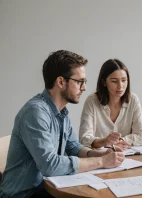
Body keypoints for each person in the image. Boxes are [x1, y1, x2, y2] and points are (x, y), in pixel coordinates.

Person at [0, 50, 125, 198]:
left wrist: (98, 153)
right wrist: (100, 161)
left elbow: (73, 147)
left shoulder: (62, 112)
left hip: (46, 188)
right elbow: (50, 165)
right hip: (24, 195)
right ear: (60, 82)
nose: (84, 88)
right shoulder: (35, 112)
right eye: (80, 82)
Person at [79, 59, 142, 149]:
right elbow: (84, 139)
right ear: (104, 82)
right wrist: (105, 141)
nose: (120, 86)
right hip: (100, 157)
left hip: (128, 155)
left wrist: (120, 141)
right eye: (114, 81)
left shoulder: (133, 100)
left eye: (124, 80)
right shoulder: (92, 101)